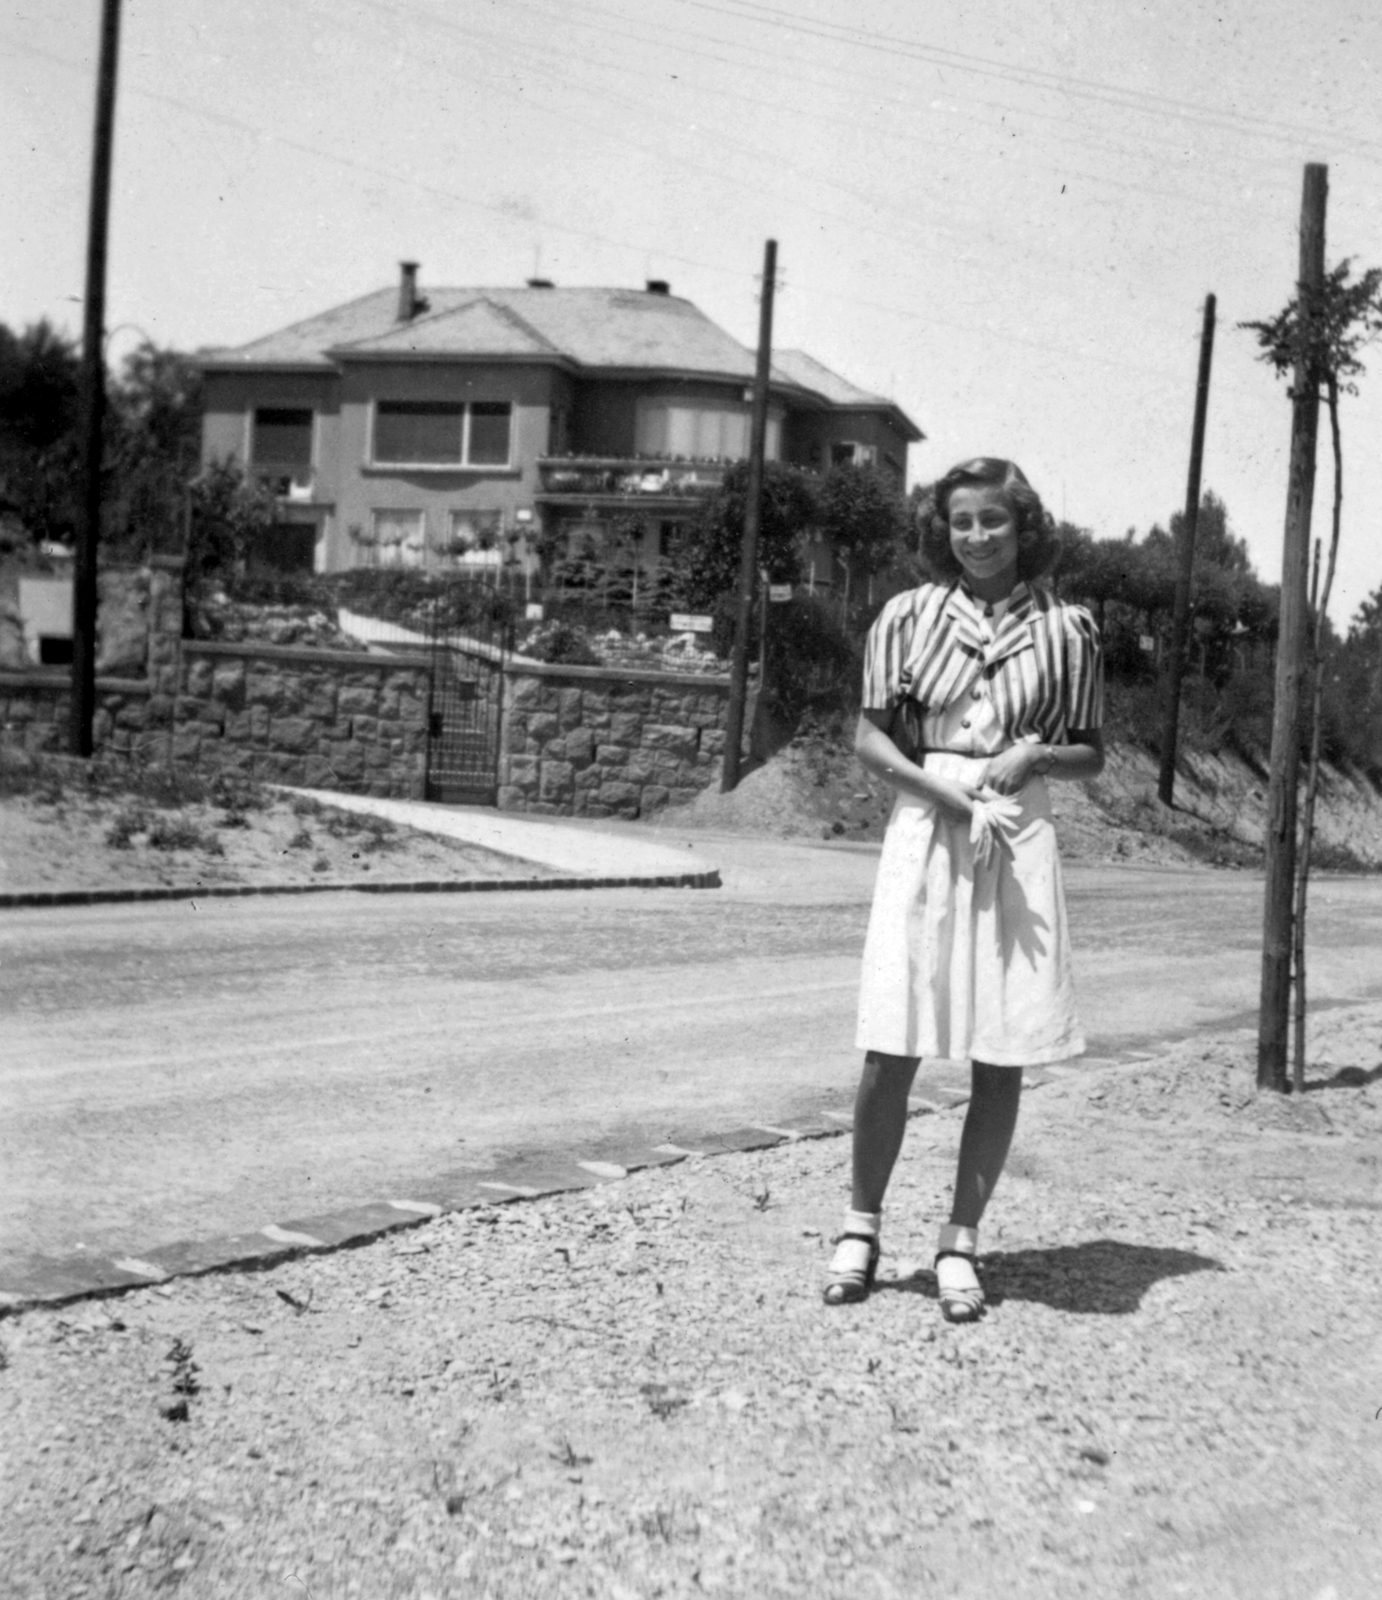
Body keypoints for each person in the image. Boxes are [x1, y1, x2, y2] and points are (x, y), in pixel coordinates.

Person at [823, 457, 1105, 1318]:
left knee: (1001, 1044)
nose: (977, 537)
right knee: (894, 1037)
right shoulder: (905, 616)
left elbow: (1091, 751)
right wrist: (939, 789)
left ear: (1025, 527)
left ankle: (959, 1243)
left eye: (994, 521)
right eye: (961, 522)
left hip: (1018, 830)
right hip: (929, 818)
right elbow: (869, 739)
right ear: (940, 531)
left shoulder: (1071, 629)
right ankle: (860, 1228)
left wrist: (1037, 754)